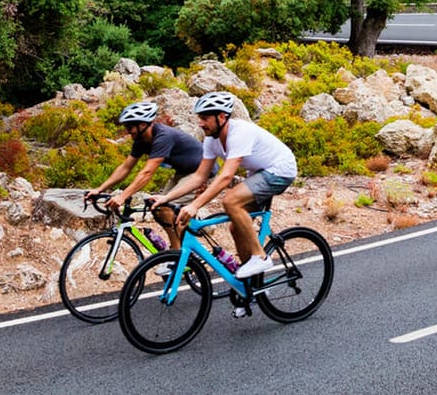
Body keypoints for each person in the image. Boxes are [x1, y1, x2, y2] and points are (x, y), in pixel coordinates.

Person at [153, 90, 297, 282]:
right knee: (235, 227)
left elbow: (226, 177)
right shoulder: (211, 141)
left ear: (222, 117)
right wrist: (166, 198)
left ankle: (260, 257)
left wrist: (195, 205)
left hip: (280, 170)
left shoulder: (239, 132)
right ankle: (250, 284)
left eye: (205, 118)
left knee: (230, 200)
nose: (200, 123)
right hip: (259, 173)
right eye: (199, 118)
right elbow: (199, 176)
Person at [84, 100, 204, 253]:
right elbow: (126, 167)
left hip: (201, 172)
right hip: (183, 172)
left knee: (164, 207)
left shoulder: (163, 137)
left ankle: (177, 253)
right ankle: (178, 251)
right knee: (158, 207)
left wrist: (123, 196)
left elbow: (147, 173)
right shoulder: (140, 140)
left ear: (142, 125)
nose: (128, 131)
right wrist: (99, 189)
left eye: (130, 127)